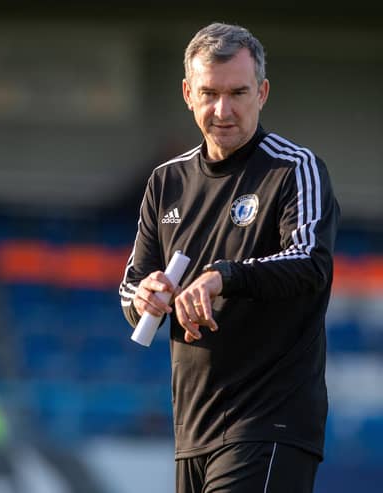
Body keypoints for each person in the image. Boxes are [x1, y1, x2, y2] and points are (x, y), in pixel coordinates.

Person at [118, 22, 340, 493]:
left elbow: (310, 263)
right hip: (193, 428)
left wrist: (223, 276)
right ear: (187, 93)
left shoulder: (294, 169)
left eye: (238, 92)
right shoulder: (166, 181)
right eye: (209, 93)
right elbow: (130, 285)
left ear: (262, 92)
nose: (223, 109)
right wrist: (146, 297)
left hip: (271, 421)